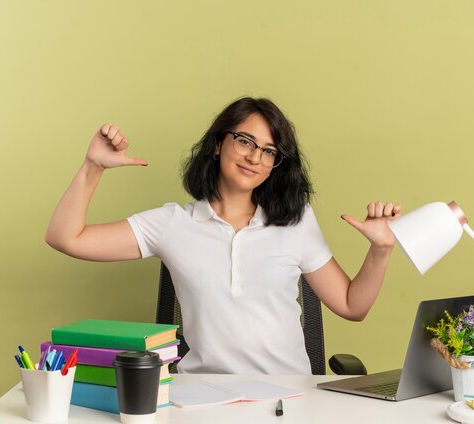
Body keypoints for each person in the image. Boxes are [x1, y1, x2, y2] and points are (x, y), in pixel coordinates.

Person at [45, 97, 402, 374]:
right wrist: (93, 167)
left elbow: (353, 306)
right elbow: (66, 237)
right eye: (245, 141)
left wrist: (381, 249)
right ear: (218, 144)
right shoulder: (172, 224)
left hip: (289, 397)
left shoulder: (296, 221)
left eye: (268, 151)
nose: (255, 157)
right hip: (202, 395)